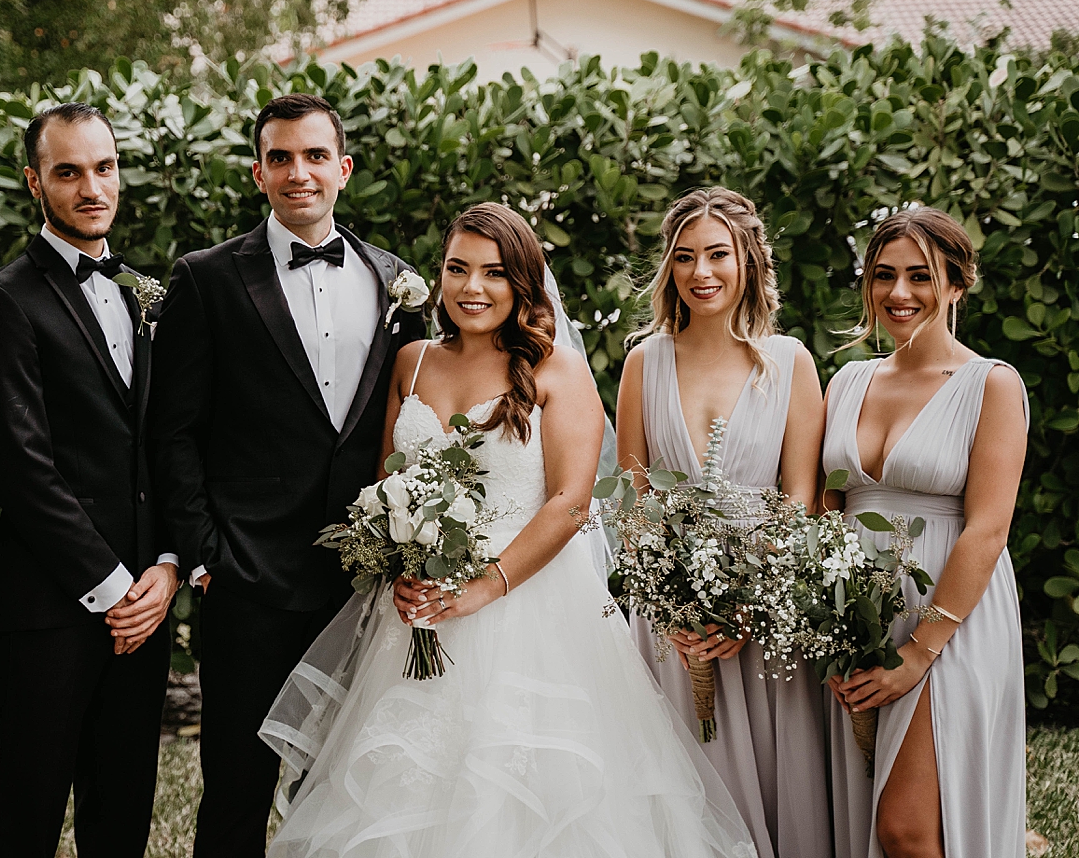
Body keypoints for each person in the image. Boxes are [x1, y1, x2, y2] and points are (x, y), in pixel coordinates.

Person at [263, 202, 757, 858]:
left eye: (493, 273)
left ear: (523, 282)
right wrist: (401, 566)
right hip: (417, 619)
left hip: (531, 612)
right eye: (456, 269)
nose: (472, 287)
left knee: (522, 804)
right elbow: (391, 479)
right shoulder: (411, 362)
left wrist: (482, 588)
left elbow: (569, 501)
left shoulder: (557, 370)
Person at [148, 92, 428, 857]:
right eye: (280, 158)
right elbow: (172, 433)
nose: (297, 173)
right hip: (247, 582)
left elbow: (415, 427)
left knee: (347, 792)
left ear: (343, 168)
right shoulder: (205, 279)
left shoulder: (398, 282)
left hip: (363, 587)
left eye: (313, 156)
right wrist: (207, 555)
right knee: (237, 787)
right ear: (257, 172)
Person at [0, 102, 177, 857]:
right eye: (69, 171)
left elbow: (167, 445)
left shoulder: (147, 293)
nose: (92, 187)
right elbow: (20, 466)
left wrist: (165, 567)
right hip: (51, 605)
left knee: (121, 813)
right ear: (34, 182)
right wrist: (112, 586)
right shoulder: (1, 300)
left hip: (145, 609)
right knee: (24, 810)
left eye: (105, 167)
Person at [615, 188, 831, 857]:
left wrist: (749, 602)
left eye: (717, 254)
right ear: (669, 269)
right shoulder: (643, 362)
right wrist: (672, 604)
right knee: (682, 792)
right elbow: (632, 498)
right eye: (685, 258)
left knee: (769, 785)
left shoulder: (790, 361)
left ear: (748, 261)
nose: (701, 273)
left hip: (763, 618)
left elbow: (801, 497)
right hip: (670, 624)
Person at [821, 207, 1028, 858]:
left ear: (958, 284)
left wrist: (920, 648)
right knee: (866, 809)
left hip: (949, 613)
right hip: (858, 615)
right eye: (884, 275)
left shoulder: (990, 384)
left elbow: (988, 530)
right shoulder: (847, 379)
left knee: (906, 829)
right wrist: (826, 625)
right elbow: (824, 512)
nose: (899, 293)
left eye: (921, 275)